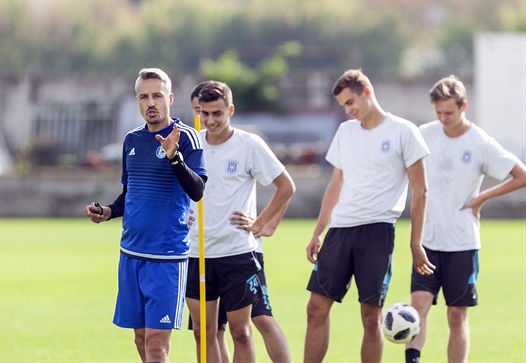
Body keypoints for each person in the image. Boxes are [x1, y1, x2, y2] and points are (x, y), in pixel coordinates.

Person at [304, 69, 436, 363]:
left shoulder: (404, 131)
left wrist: (416, 244)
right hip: (339, 231)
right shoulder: (345, 132)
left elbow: (421, 191)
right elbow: (335, 184)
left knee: (370, 317)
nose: (348, 111)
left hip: (377, 231)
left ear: (367, 91)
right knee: (315, 308)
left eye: (351, 102)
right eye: (343, 106)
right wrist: (318, 231)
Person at [85, 68, 208, 363]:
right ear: (137, 101)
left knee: (156, 345)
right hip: (130, 254)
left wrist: (173, 157)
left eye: (157, 95)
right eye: (144, 96)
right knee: (141, 340)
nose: (150, 102)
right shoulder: (131, 141)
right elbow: (130, 195)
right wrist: (109, 212)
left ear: (170, 98)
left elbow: (198, 190)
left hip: (165, 258)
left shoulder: (186, 138)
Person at [405, 75, 526, 363]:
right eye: (438, 113)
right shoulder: (423, 134)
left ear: (464, 106)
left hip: (462, 242)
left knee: (456, 315)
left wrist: (482, 197)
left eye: (449, 112)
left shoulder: (481, 142)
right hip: (427, 241)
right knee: (418, 305)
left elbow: (521, 176)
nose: (443, 118)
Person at [185, 81, 295, 363]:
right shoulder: (192, 145)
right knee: (205, 332)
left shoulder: (249, 145)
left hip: (237, 253)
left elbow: (286, 186)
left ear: (230, 110)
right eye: (205, 114)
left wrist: (260, 224)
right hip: (196, 254)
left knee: (241, 332)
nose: (210, 120)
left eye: (217, 114)